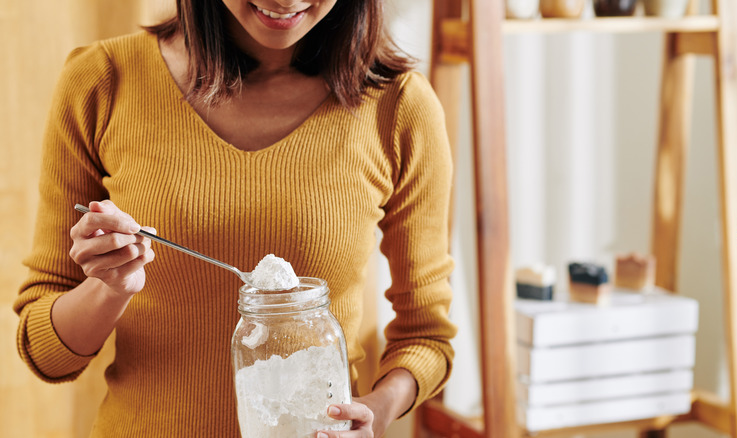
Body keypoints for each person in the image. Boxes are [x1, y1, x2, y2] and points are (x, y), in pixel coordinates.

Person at [13, 0, 457, 437]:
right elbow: (47, 356)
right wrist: (108, 288)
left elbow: (426, 336)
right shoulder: (102, 81)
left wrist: (374, 412)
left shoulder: (400, 107)